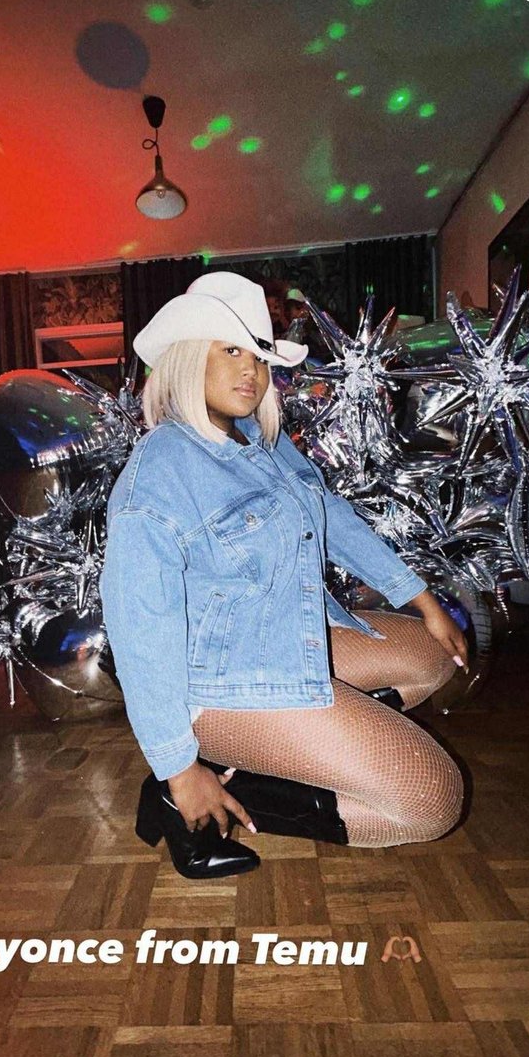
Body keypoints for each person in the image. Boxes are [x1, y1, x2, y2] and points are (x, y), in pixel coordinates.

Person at [100, 273, 467, 880]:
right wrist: (177, 765)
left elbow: (330, 515)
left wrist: (420, 597)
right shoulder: (160, 475)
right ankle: (190, 800)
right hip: (216, 685)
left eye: (259, 355)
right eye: (232, 350)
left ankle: (280, 758)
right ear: (188, 358)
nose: (252, 370)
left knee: (430, 655)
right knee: (431, 801)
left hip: (274, 639)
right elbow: (141, 631)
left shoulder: (256, 440)